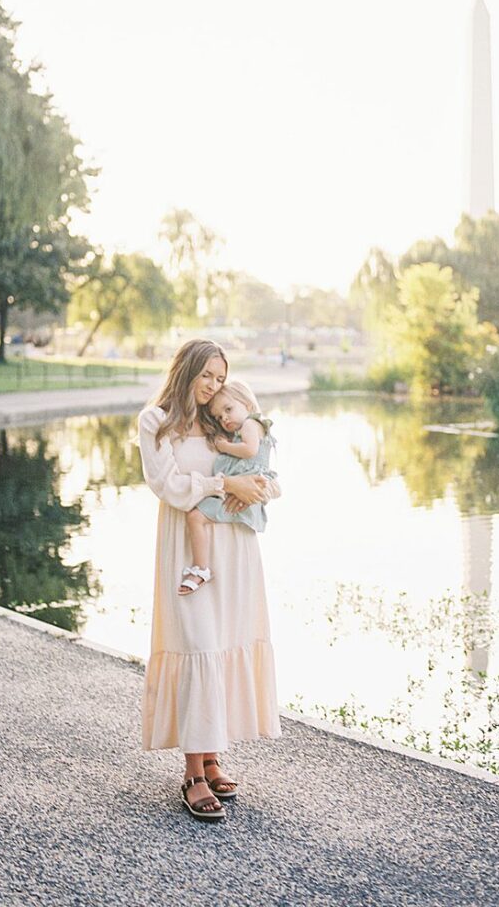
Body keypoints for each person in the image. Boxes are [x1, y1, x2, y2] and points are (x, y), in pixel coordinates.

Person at [137, 340, 282, 822]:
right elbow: (169, 485)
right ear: (187, 369)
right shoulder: (157, 422)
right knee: (197, 643)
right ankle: (192, 773)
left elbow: (266, 464)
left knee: (221, 644)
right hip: (188, 545)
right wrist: (225, 485)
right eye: (207, 376)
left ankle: (212, 755)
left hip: (235, 546)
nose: (214, 387)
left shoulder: (226, 415)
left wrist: (259, 488)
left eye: (220, 379)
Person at [178, 379, 277, 596]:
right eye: (219, 417)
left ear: (247, 405)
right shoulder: (244, 428)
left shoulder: (251, 424)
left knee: (195, 517)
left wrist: (224, 446)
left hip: (243, 496)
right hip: (238, 493)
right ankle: (202, 567)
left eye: (229, 409)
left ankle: (201, 568)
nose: (225, 418)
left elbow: (250, 450)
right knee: (196, 518)